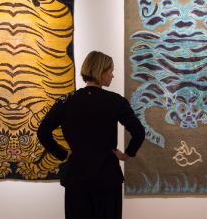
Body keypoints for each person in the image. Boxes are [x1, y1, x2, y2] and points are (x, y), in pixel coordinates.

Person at [37, 51, 145, 219]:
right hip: (107, 178)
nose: (112, 75)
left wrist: (63, 153)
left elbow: (43, 132)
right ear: (100, 72)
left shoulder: (66, 101)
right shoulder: (116, 101)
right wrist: (127, 154)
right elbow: (139, 132)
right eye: (110, 71)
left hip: (76, 178)